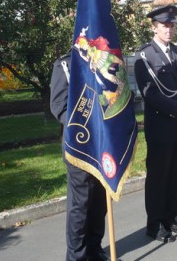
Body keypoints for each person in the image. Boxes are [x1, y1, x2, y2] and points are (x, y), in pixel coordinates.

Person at [134, 5, 177, 243]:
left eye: (172, 25)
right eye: (165, 26)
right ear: (154, 27)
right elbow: (151, 94)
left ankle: (170, 218)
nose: (169, 30)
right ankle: (154, 224)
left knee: (175, 177)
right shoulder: (144, 56)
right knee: (158, 178)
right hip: (161, 129)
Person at [50, 52, 109, 261]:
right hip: (79, 147)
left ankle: (94, 248)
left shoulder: (103, 62)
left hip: (102, 146)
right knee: (80, 205)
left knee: (99, 203)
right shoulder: (65, 65)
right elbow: (59, 107)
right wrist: (85, 124)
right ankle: (77, 256)